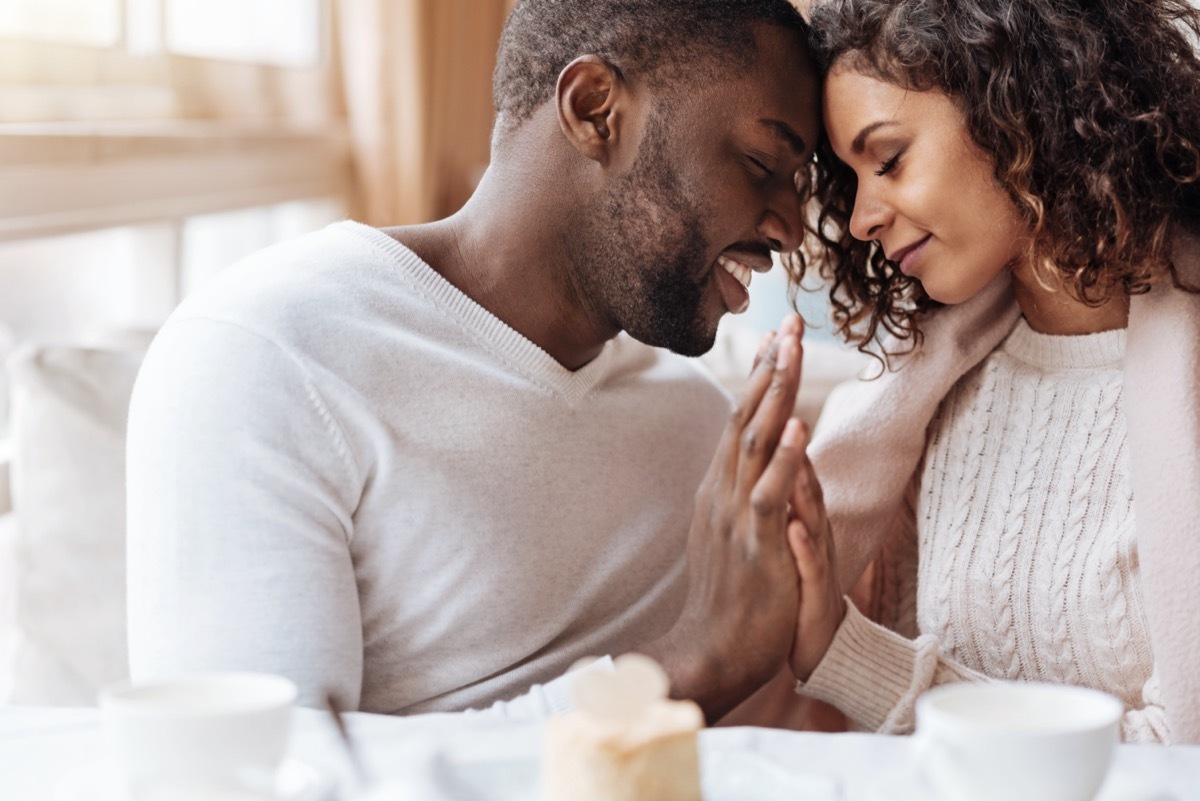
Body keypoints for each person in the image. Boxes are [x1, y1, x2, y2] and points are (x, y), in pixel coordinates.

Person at [125, 0, 822, 721]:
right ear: (595, 109)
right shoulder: (268, 355)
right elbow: (262, 773)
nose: (792, 227)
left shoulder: (703, 426)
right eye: (762, 162)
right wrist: (691, 664)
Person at [776, 0, 1200, 743]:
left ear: (1017, 108)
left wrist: (850, 656)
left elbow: (1183, 749)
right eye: (853, 178)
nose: (863, 218)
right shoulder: (935, 393)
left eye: (890, 158)